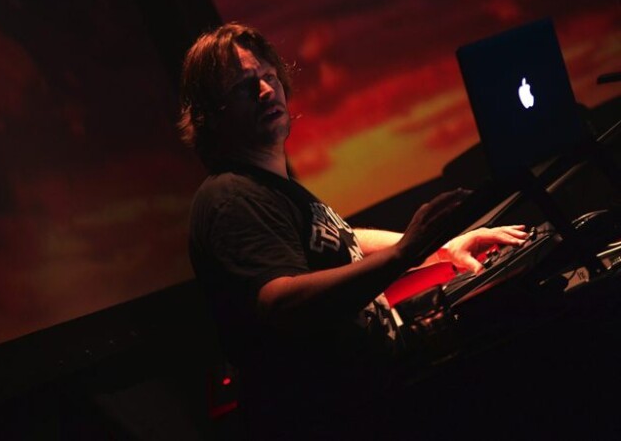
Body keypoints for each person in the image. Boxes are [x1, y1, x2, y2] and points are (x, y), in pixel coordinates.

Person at [179, 23, 528, 438]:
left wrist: (441, 248)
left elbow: (341, 241)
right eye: (243, 87)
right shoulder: (231, 197)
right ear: (210, 115)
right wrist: (405, 252)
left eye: (269, 76)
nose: (267, 91)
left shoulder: (273, 191)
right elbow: (279, 302)